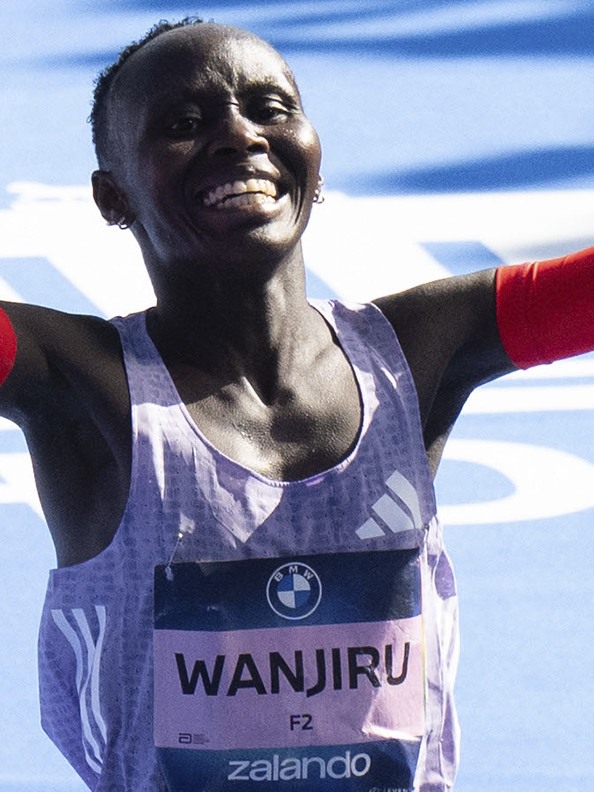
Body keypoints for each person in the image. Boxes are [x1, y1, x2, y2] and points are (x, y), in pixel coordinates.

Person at [0, 16, 593, 792]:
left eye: (271, 109)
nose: (239, 135)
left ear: (315, 165)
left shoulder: (420, 351)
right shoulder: (83, 382)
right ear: (114, 198)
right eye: (184, 124)